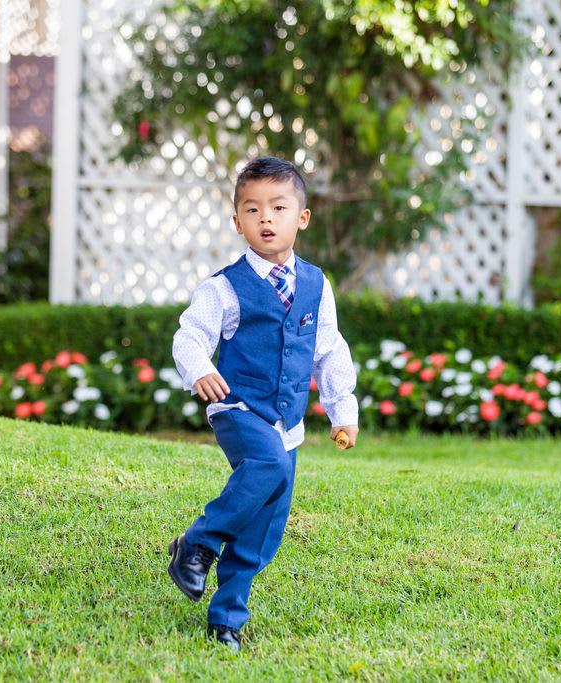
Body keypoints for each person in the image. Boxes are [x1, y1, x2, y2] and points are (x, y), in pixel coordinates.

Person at [169, 156, 359, 652]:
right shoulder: (225, 287)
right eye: (252, 210)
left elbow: (329, 349)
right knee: (266, 464)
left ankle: (225, 618)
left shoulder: (317, 285)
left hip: (287, 421)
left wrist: (343, 411)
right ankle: (197, 543)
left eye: (278, 207)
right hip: (237, 407)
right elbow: (190, 336)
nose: (265, 219)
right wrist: (201, 370)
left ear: (302, 216)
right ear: (237, 223)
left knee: (264, 529)